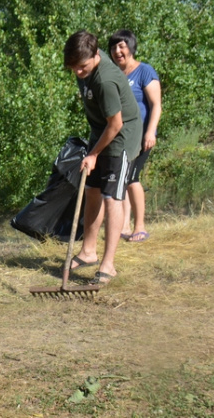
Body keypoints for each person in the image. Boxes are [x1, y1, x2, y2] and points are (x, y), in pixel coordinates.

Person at [63, 30, 142, 285]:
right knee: (93, 190)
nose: (78, 72)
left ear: (95, 55)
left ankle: (108, 264)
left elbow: (116, 124)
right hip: (102, 133)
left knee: (112, 197)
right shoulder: (84, 69)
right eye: (74, 67)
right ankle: (88, 252)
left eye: (82, 67)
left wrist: (95, 154)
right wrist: (93, 150)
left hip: (121, 137)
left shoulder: (105, 81)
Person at [108, 29, 162, 243]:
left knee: (132, 178)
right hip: (120, 137)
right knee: (122, 178)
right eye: (113, 47)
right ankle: (124, 225)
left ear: (130, 47)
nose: (117, 51)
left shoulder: (145, 71)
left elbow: (156, 104)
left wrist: (151, 131)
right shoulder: (113, 74)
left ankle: (140, 227)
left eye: (121, 46)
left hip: (141, 137)